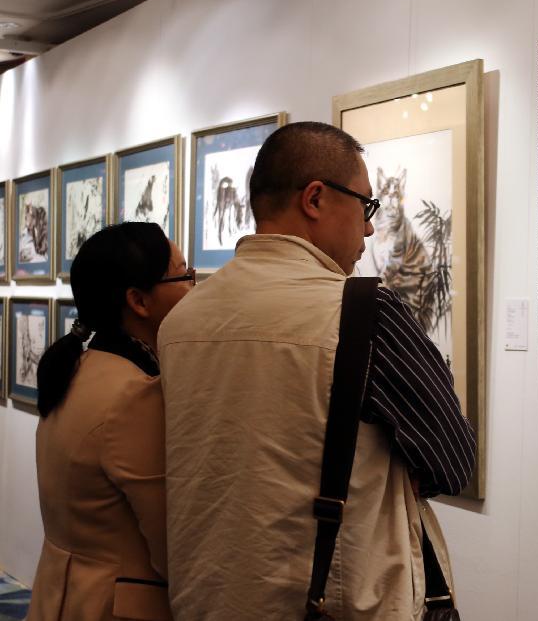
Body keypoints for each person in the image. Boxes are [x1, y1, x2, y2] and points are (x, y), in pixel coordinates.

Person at [158, 121, 475, 620]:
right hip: (335, 602)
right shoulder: (365, 313)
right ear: (315, 199)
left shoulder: (183, 319)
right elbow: (452, 461)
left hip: (209, 599)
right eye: (366, 206)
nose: (370, 227)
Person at [28, 223, 194, 621]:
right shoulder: (133, 394)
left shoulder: (78, 369)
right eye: (185, 274)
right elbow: (171, 542)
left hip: (64, 595)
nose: (195, 287)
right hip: (114, 605)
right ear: (138, 300)